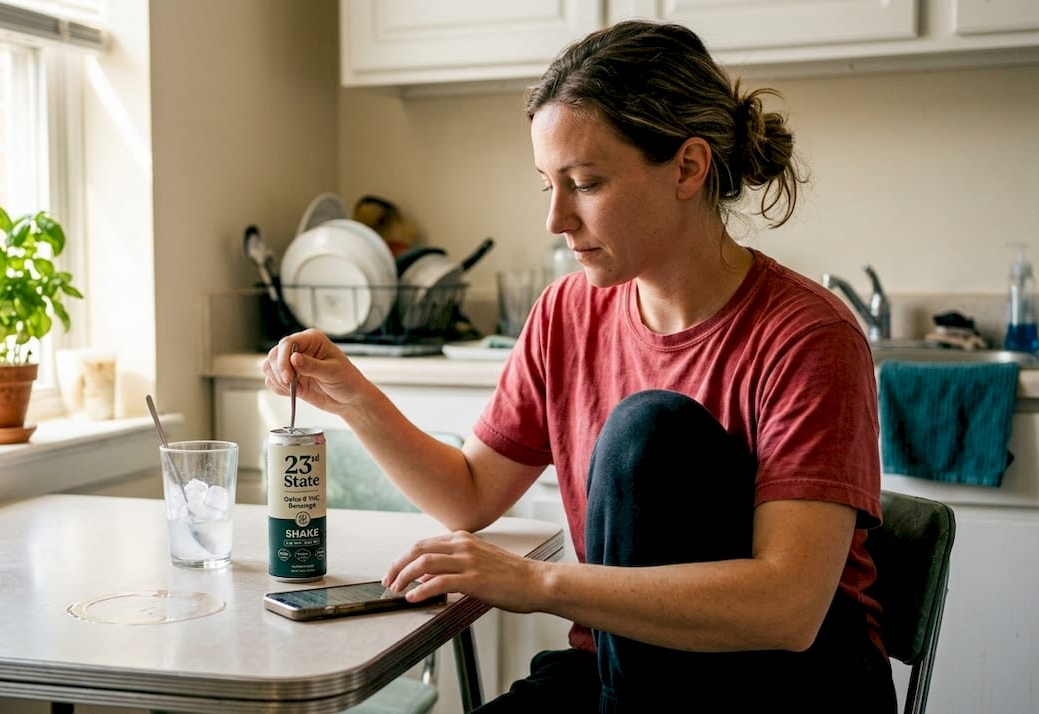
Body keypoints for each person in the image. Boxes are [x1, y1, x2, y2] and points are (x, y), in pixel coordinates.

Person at [263, 19, 895, 714]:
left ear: (688, 168)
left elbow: (788, 608)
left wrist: (536, 583)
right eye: (548, 186)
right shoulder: (567, 313)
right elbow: (469, 495)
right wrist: (353, 396)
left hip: (790, 683)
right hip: (619, 665)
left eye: (585, 183)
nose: (557, 219)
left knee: (648, 431)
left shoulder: (809, 336)